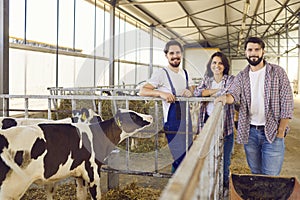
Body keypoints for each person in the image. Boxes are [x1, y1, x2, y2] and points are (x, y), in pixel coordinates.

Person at [215, 36, 294, 176]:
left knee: (270, 175)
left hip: (273, 130)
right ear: (245, 52)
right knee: (256, 174)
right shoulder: (242, 76)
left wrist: (281, 130)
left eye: (257, 49)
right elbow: (233, 94)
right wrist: (224, 98)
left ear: (263, 51)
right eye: (250, 50)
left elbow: (287, 101)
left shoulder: (277, 72)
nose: (253, 53)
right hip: (250, 132)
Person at [139, 40, 195, 173]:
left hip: (186, 120)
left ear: (181, 54)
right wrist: (161, 93)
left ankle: (176, 176)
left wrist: (190, 91)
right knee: (180, 156)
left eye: (177, 53)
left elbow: (192, 86)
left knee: (188, 152)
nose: (175, 56)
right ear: (166, 55)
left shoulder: (185, 73)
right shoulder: (161, 73)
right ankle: (181, 185)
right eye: (172, 53)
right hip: (172, 121)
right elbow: (142, 91)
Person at [193, 51, 235, 190]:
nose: (217, 66)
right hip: (207, 124)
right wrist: (215, 91)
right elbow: (198, 93)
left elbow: (231, 93)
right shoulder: (206, 79)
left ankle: (223, 185)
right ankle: (209, 186)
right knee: (208, 157)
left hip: (225, 126)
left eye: (220, 63)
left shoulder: (230, 79)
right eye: (214, 63)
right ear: (210, 65)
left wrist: (210, 92)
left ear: (225, 66)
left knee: (225, 159)